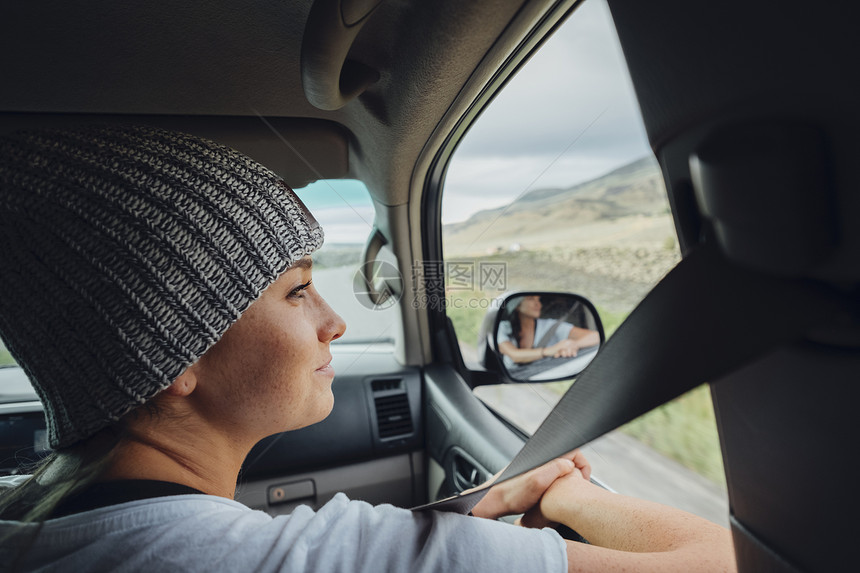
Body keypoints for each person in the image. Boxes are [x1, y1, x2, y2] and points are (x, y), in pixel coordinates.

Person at [0, 125, 735, 572]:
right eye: (296, 292)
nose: (334, 323)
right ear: (168, 356)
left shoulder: (26, 517)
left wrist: (490, 507)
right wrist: (563, 490)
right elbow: (744, 563)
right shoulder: (324, 557)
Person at [498, 295, 600, 368]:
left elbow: (595, 336)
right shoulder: (502, 328)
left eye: (539, 300)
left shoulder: (551, 326)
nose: (537, 304)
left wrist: (573, 344)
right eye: (531, 299)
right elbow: (514, 355)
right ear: (517, 305)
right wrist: (551, 350)